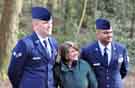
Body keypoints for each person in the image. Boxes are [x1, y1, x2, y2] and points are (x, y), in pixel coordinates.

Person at [8, 6, 58, 88]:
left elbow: (51, 67)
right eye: (45, 23)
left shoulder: (54, 43)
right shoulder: (25, 44)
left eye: (51, 23)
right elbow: (13, 72)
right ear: (35, 25)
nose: (50, 26)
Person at [81, 18, 129, 88]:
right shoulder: (87, 51)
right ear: (97, 34)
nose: (109, 35)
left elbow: (124, 71)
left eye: (111, 32)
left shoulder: (121, 49)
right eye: (105, 33)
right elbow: (83, 72)